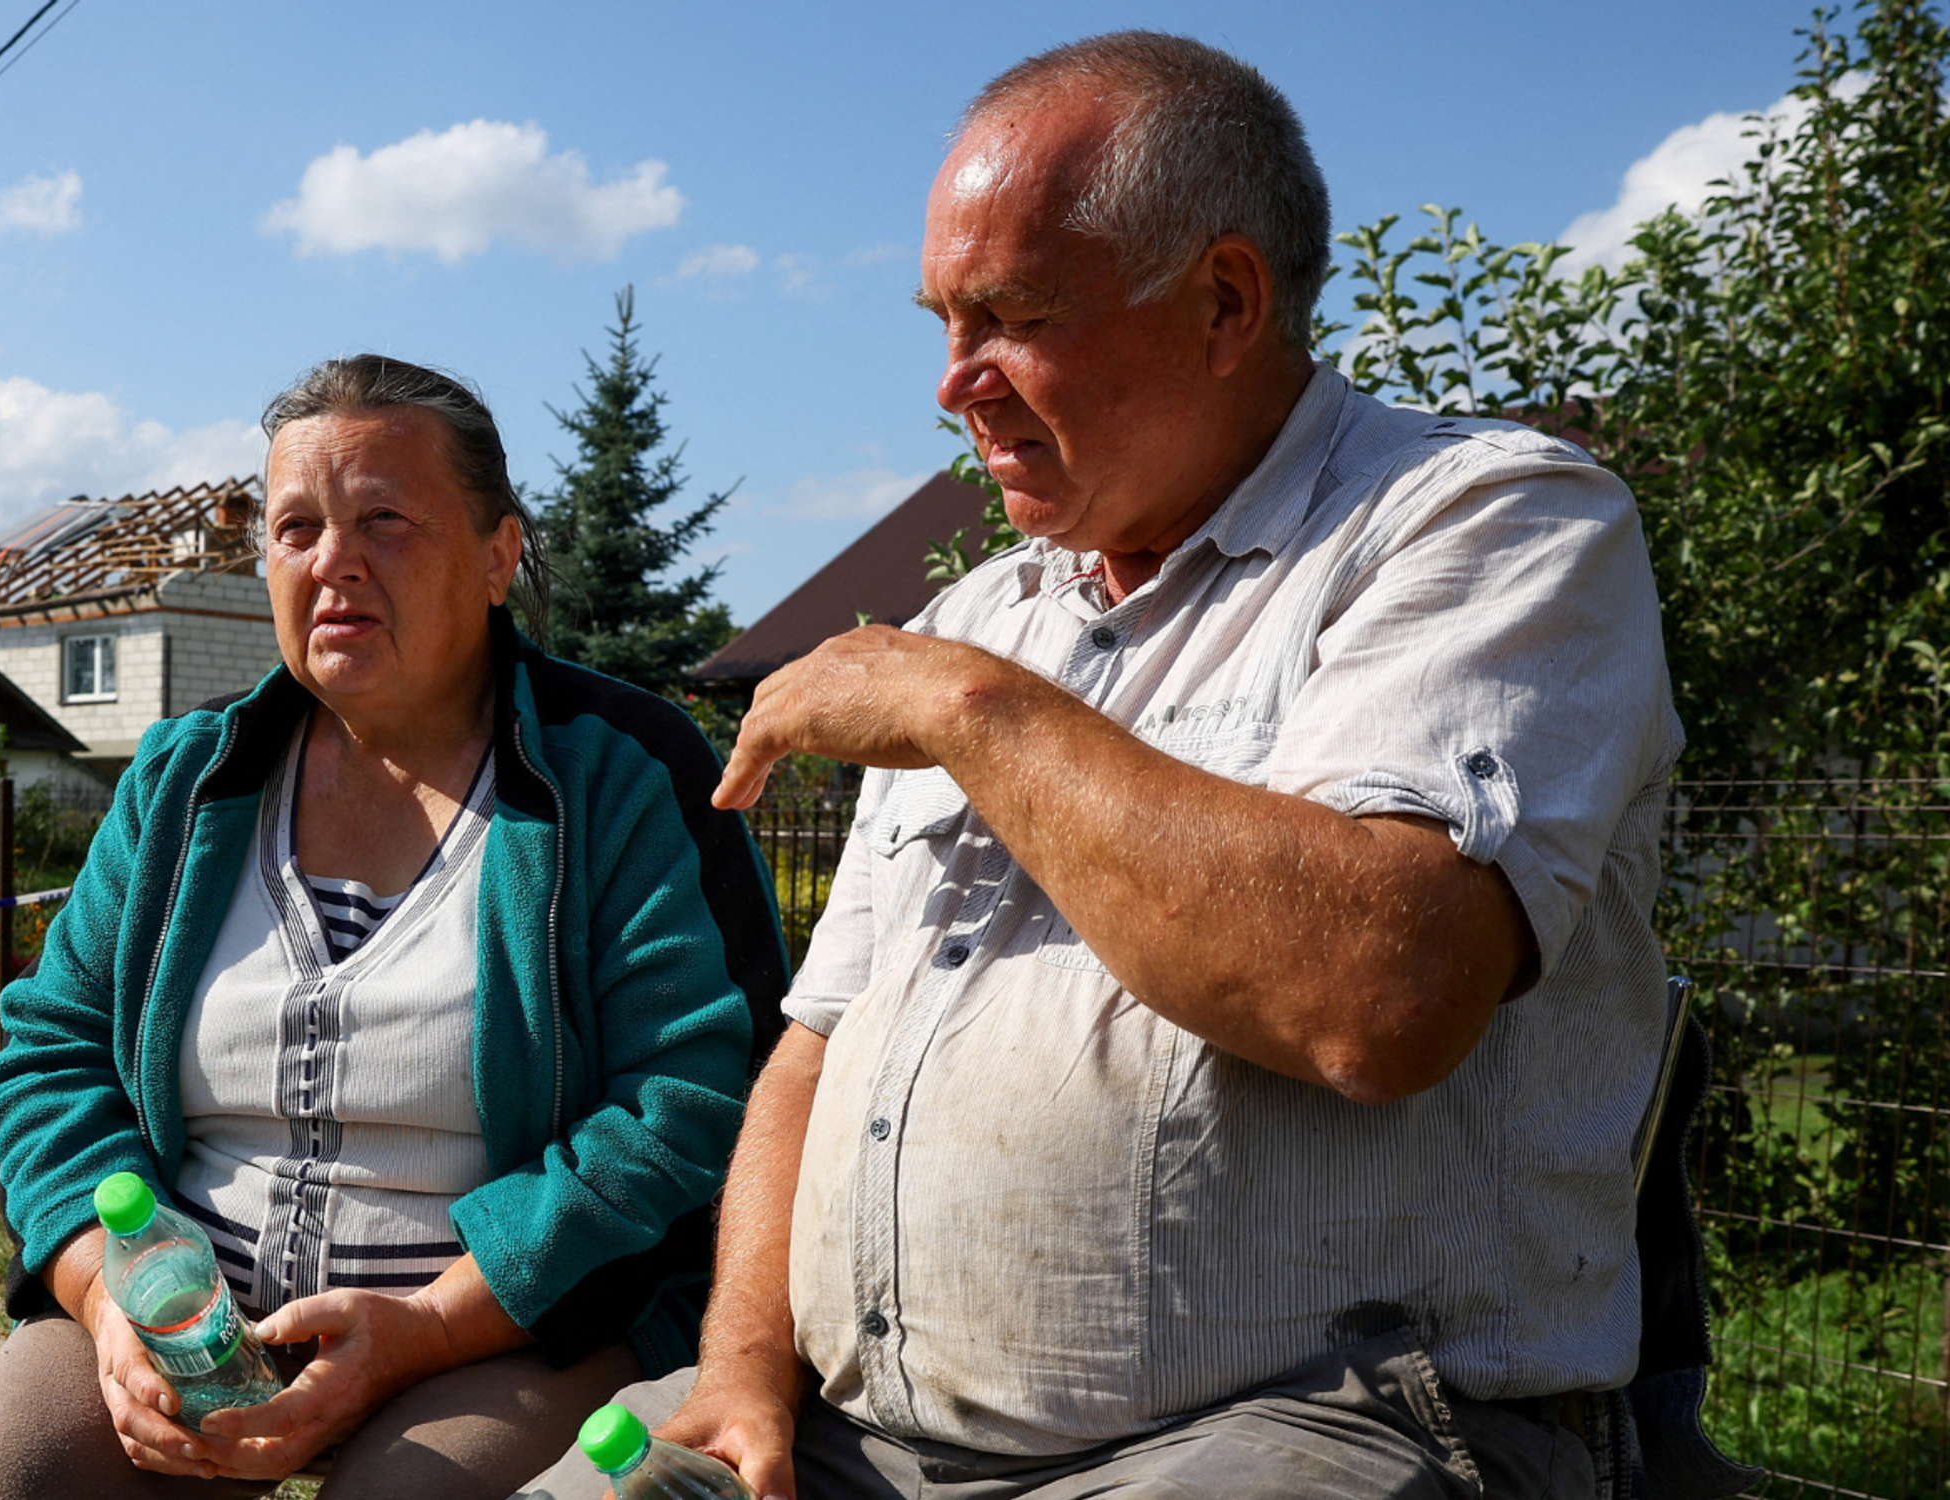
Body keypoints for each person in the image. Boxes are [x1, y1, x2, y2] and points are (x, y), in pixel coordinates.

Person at [519, 29, 1688, 1500]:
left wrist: (968, 709)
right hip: (848, 1430)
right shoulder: (984, 612)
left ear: (1222, 302)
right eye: (943, 321)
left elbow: (1378, 996)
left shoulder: (1487, 526)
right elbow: (815, 1049)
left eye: (1010, 315)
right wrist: (745, 1360)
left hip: (1307, 1425)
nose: (956, 386)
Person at [0, 357, 788, 1500]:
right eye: (296, 529)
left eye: (382, 520)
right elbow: (49, 1056)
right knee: (15, 1464)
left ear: (498, 556)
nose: (331, 562)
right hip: (188, 1319)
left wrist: (429, 1327)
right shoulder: (187, 778)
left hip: (493, 1331)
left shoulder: (620, 773)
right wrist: (110, 1297)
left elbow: (684, 1105)